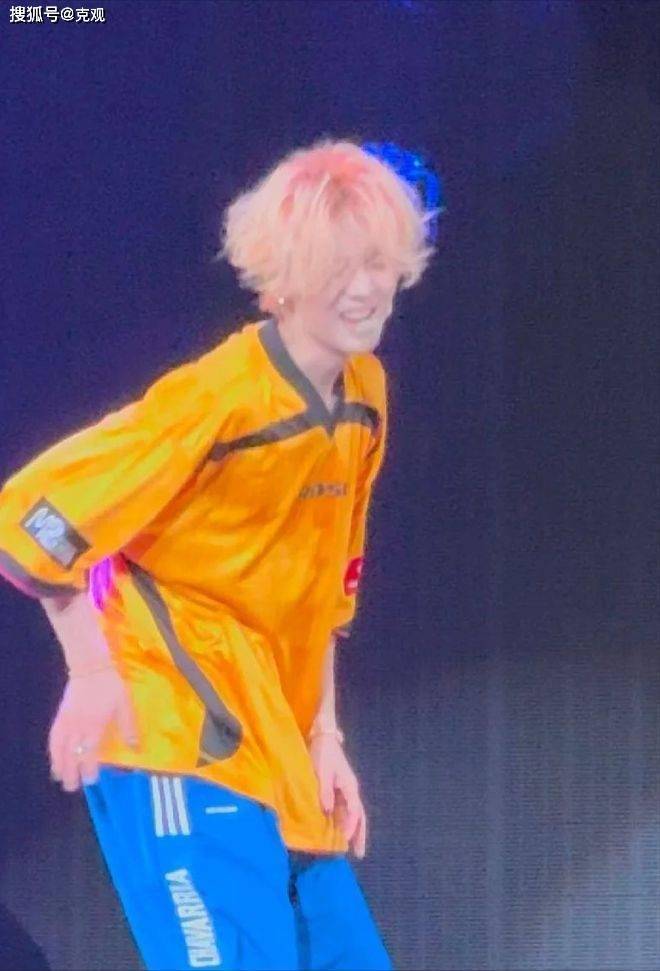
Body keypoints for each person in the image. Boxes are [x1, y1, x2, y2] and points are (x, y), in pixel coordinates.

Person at [0, 139, 433, 970]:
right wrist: (91, 670)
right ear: (286, 278)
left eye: (379, 262)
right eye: (341, 265)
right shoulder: (219, 398)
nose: (366, 287)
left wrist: (324, 734)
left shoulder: (364, 396)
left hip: (276, 743)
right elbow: (38, 515)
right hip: (179, 730)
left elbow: (324, 591)